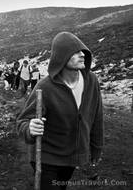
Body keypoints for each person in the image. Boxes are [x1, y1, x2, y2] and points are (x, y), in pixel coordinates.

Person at [16, 32, 104, 190]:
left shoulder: (92, 80)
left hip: (72, 158)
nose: (82, 55)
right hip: (46, 157)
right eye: (75, 52)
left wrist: (96, 147)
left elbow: (97, 116)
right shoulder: (45, 86)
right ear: (62, 57)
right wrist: (30, 128)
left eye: (82, 51)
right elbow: (22, 122)